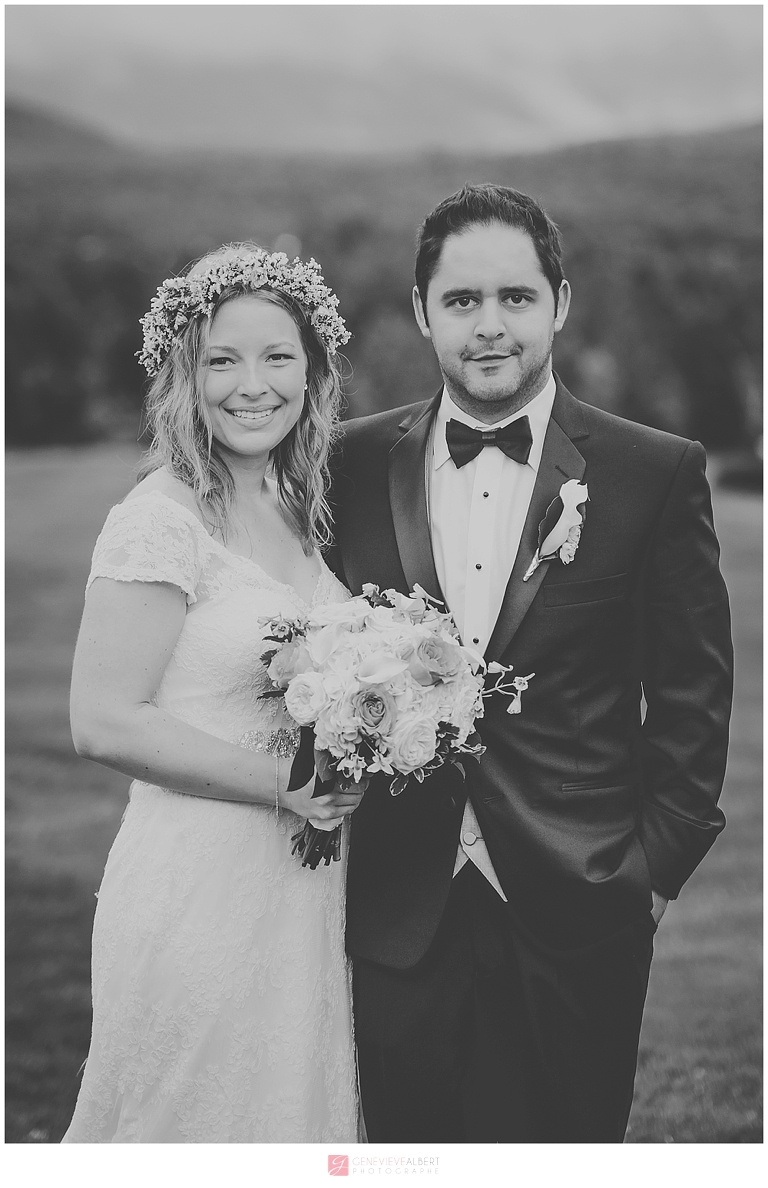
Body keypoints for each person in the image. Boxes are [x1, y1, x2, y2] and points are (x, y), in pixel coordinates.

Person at [329, 184, 733, 1142]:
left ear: (559, 302)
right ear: (423, 310)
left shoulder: (652, 471)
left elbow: (692, 692)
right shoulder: (348, 464)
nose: (490, 326)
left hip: (579, 906)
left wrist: (651, 874)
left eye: (516, 297)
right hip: (394, 910)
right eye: (462, 301)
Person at [62, 243, 364, 1143]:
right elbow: (101, 721)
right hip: (198, 878)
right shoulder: (159, 519)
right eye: (222, 360)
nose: (252, 384)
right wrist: (286, 787)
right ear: (184, 375)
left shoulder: (289, 500)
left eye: (278, 358)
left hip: (303, 888)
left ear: (312, 374)